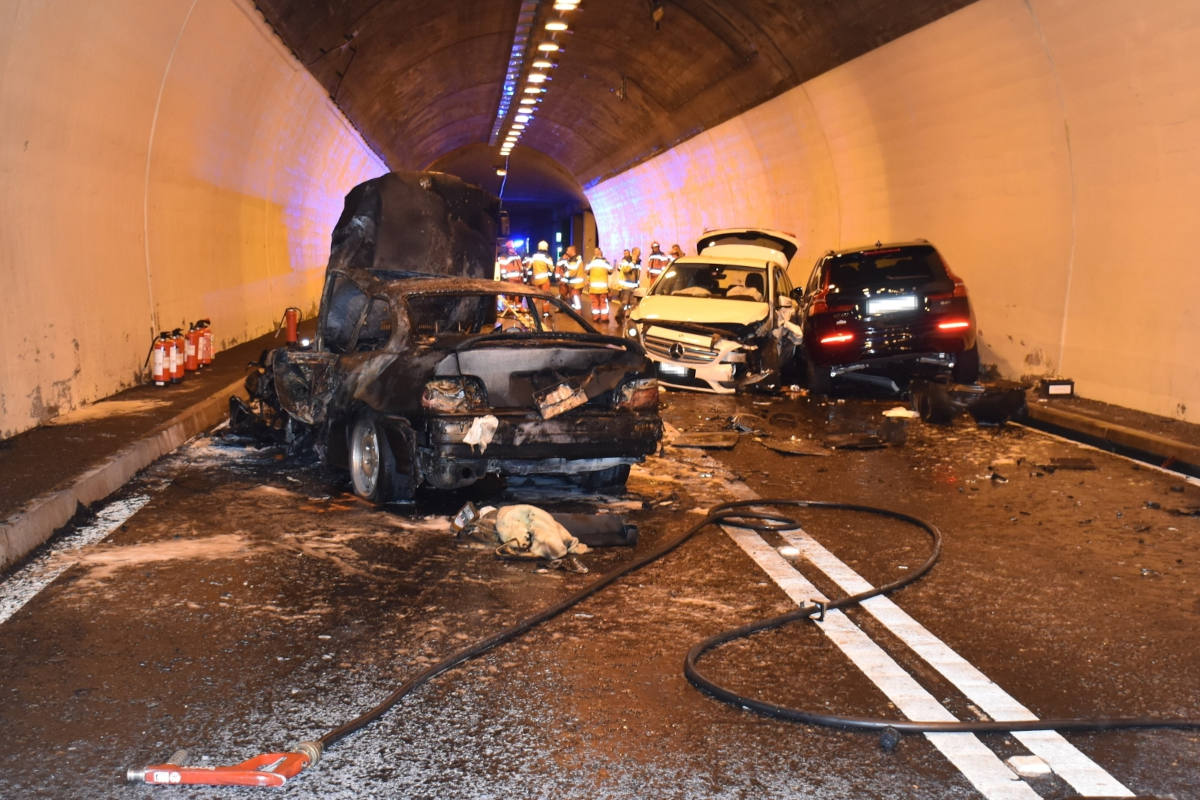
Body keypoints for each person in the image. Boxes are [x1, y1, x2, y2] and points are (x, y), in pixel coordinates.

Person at [528, 240, 556, 316]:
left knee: (535, 296)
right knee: (545, 297)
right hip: (544, 279)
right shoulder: (547, 257)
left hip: (535, 280)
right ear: (546, 247)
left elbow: (529, 267)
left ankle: (531, 311)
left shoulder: (534, 256)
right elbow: (552, 268)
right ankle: (545, 313)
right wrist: (550, 274)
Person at [586, 247, 613, 323]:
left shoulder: (591, 262)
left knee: (595, 303)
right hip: (603, 288)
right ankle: (604, 318)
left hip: (593, 288)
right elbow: (611, 271)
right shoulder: (605, 262)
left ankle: (596, 317)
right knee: (603, 302)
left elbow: (586, 271)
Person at [615, 248, 639, 322]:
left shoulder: (637, 262)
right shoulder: (625, 261)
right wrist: (633, 262)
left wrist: (637, 285)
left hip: (633, 287)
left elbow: (637, 275)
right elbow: (626, 270)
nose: (637, 254)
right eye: (636, 253)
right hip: (626, 287)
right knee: (624, 303)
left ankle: (631, 319)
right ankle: (619, 315)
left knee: (633, 304)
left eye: (638, 253)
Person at [558, 245, 585, 312]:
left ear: (572, 251)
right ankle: (575, 311)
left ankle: (578, 313)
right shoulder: (574, 259)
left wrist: (564, 275)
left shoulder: (574, 260)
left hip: (576, 284)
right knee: (574, 298)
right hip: (575, 283)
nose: (566, 252)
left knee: (576, 298)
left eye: (568, 250)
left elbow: (572, 272)